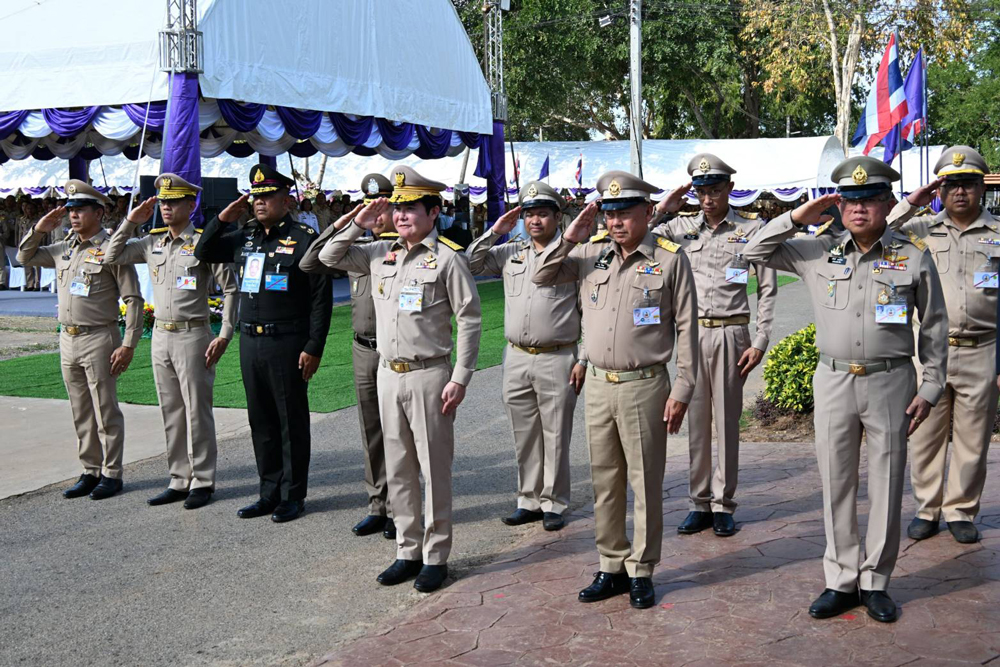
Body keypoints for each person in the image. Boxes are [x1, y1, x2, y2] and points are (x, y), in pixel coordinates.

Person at [742, 155, 948, 623]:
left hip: (891, 380)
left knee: (888, 482)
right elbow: (750, 252)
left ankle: (876, 581)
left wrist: (932, 384)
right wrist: (796, 217)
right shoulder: (816, 252)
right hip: (833, 379)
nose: (859, 208)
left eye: (870, 199)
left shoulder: (913, 255)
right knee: (836, 483)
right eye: (849, 199)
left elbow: (934, 325)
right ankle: (841, 579)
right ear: (838, 205)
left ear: (887, 203)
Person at [311, 165, 481, 593]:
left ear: (433, 211)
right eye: (398, 207)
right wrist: (357, 223)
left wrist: (460, 376)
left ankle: (437, 554)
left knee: (433, 468)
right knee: (400, 468)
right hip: (388, 374)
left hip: (429, 374)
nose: (401, 215)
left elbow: (470, 319)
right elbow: (325, 258)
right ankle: (408, 549)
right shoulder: (377, 253)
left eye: (411, 208)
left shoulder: (446, 258)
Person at [533, 170, 699, 609]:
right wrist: (570, 236)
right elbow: (541, 275)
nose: (616, 223)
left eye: (625, 213)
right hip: (599, 386)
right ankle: (611, 564)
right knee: (605, 481)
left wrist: (683, 387)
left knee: (645, 481)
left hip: (645, 384)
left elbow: (687, 328)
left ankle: (641, 569)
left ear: (648, 211)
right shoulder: (590, 256)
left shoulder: (669, 258)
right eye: (610, 214)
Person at [194, 164, 332, 523]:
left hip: (287, 341)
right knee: (262, 421)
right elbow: (204, 251)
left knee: (290, 421)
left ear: (286, 200)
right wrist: (223, 218)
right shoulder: (247, 235)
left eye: (267, 196)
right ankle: (268, 492)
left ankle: (292, 495)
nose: (259, 202)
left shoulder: (303, 238)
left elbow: (320, 298)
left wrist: (314, 345)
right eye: (255, 196)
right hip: (250, 342)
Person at [649, 154, 778, 537]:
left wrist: (760, 338)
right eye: (702, 191)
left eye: (715, 191)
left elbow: (767, 290)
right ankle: (699, 502)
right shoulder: (680, 228)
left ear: (730, 190)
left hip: (731, 333)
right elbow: (641, 234)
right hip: (691, 335)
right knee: (696, 423)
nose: (708, 199)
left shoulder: (752, 230)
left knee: (726, 422)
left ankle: (724, 503)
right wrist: (661, 209)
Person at [885, 146, 1000, 545]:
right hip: (930, 351)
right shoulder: (920, 230)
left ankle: (961, 510)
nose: (960, 192)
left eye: (968, 183)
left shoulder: (998, 233)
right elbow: (880, 228)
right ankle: (927, 508)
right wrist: (912, 202)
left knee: (973, 436)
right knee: (925, 432)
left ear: (981, 188)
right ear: (940, 190)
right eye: (951, 185)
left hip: (982, 348)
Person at [104, 173, 238, 510]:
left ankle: (203, 480)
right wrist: (130, 221)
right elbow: (110, 257)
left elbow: (231, 288)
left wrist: (224, 333)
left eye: (173, 201)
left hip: (194, 334)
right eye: (163, 202)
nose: (165, 207)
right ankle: (179, 478)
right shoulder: (153, 242)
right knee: (171, 410)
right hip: (160, 335)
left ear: (190, 205)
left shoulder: (204, 242)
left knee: (197, 410)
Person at [467, 181, 585, 532]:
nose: (535, 221)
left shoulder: (574, 256)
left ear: (557, 217)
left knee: (555, 433)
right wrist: (495, 231)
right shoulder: (511, 252)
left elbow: (589, 309)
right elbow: (472, 263)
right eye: (529, 214)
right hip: (516, 356)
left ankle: (554, 502)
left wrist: (584, 358)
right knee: (524, 433)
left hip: (557, 355)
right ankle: (528, 499)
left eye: (542, 214)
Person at [16, 180, 143, 500]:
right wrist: (40, 228)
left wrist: (128, 343)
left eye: (80, 209)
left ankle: (112, 473)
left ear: (98, 213)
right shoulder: (65, 248)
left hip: (99, 337)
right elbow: (24, 258)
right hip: (68, 339)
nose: (73, 215)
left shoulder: (112, 249)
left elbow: (133, 299)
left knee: (105, 407)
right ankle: (90, 469)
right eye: (70, 209)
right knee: (80, 409)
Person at [300, 173, 398, 540]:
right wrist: (345, 224)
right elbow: (311, 262)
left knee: (398, 431)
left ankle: (400, 506)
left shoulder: (396, 249)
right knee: (371, 430)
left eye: (382, 206)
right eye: (369, 206)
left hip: (394, 350)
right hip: (362, 348)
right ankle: (377, 504)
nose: (376, 214)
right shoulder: (359, 250)